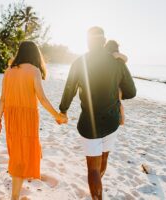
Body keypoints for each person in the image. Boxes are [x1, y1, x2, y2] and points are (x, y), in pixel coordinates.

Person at [58, 27, 136, 200]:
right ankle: (96, 188)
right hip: (111, 122)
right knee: (103, 159)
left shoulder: (80, 62)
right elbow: (131, 92)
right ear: (103, 41)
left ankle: (96, 192)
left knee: (92, 168)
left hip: (89, 123)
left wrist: (63, 109)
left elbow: (69, 89)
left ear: (87, 42)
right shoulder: (117, 63)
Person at [0, 41, 67, 200]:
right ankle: (14, 196)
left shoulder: (8, 71)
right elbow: (41, 98)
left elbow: (2, 99)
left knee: (18, 154)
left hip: (11, 117)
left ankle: (16, 193)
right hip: (28, 117)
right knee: (22, 155)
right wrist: (57, 115)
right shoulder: (34, 70)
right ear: (35, 54)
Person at [105, 40, 128, 125]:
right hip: (116, 84)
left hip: (108, 83)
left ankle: (120, 120)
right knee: (118, 102)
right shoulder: (117, 57)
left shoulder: (108, 56)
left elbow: (126, 58)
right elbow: (126, 59)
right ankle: (121, 120)